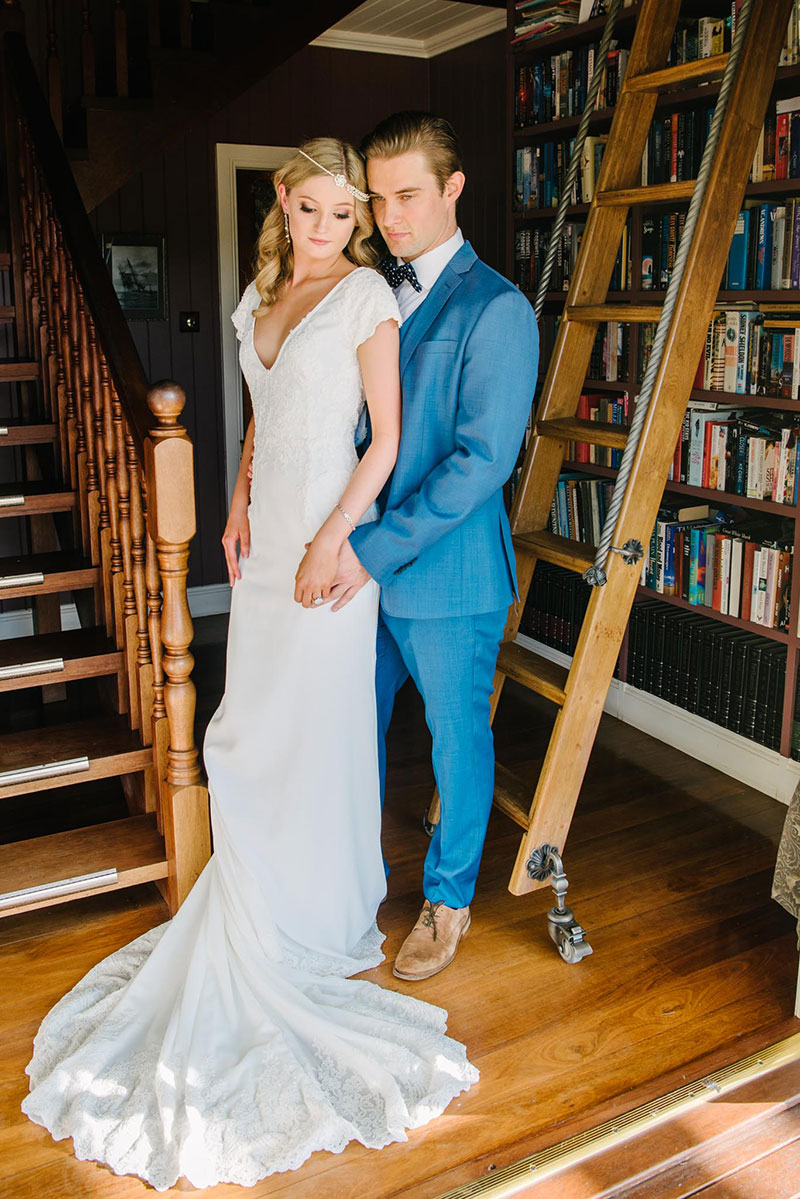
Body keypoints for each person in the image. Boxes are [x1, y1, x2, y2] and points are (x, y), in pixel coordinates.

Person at [21, 138, 477, 1192]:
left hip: (324, 544)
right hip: (264, 538)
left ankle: (317, 912)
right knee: (252, 720)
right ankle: (269, 881)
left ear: (356, 220)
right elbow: (263, 426)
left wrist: (332, 542)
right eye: (309, 210)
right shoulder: (259, 293)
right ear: (282, 203)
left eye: (341, 214)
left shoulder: (364, 294)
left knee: (306, 726)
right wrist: (233, 507)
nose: (324, 229)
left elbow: (386, 444)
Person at [324, 112, 539, 982]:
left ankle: (447, 903)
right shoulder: (373, 289)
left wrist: (371, 547)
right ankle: (349, 881)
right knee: (348, 730)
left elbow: (481, 460)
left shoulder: (497, 307)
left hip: (446, 574)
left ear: (453, 188)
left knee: (456, 746)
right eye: (377, 199)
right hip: (360, 564)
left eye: (408, 195)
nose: (389, 216)